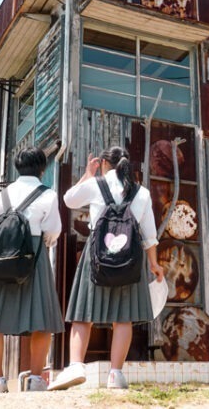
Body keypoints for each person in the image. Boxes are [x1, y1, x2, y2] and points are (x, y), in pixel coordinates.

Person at [50, 146, 165, 391]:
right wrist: (154, 264)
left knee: (83, 313)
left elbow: (69, 200)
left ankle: (77, 366)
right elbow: (149, 235)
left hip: (97, 255)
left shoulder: (96, 184)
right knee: (123, 318)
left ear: (103, 163)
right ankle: (115, 374)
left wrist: (87, 175)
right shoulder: (142, 192)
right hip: (130, 258)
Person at [0, 147, 64, 393]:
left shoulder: (2, 196)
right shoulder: (48, 195)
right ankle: (36, 379)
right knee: (42, 321)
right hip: (33, 258)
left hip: (0, 260)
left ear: (17, 167)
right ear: (43, 168)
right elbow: (52, 232)